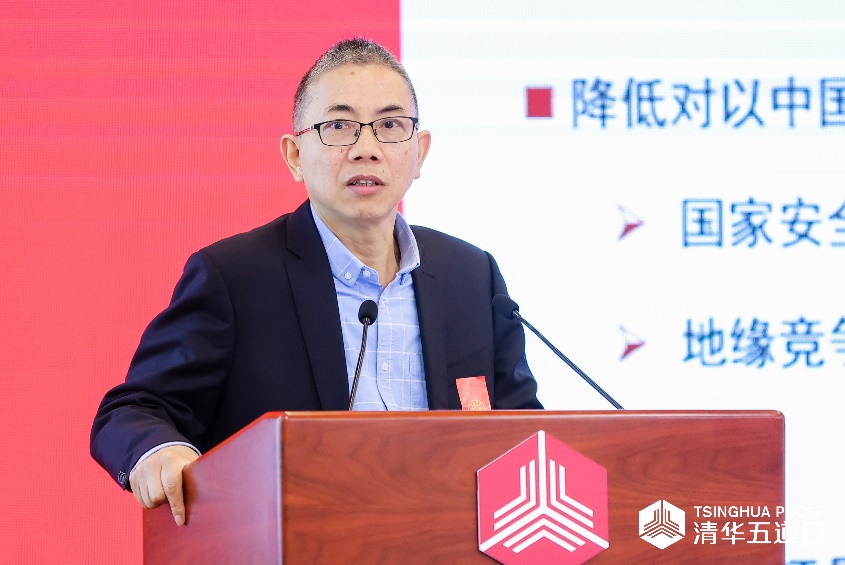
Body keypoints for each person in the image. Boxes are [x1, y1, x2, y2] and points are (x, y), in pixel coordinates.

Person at [91, 37, 541, 528]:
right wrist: (160, 450)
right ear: (294, 155)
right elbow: (133, 410)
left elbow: (525, 431)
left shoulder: (469, 275)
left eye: (391, 126)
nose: (366, 150)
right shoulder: (236, 277)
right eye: (339, 127)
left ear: (420, 152)